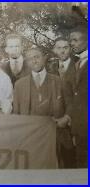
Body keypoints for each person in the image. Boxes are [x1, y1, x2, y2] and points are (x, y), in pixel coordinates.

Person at [13, 47, 71, 124]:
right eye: (30, 59)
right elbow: (16, 114)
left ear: (44, 58)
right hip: (30, 132)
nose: (34, 61)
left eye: (37, 57)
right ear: (27, 62)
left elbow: (70, 104)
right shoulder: (19, 85)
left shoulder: (59, 81)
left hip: (54, 130)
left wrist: (66, 118)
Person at [52, 37, 78, 168]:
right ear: (54, 50)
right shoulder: (49, 67)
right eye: (59, 48)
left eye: (65, 48)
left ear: (70, 49)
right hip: (54, 122)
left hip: (73, 120)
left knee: (71, 158)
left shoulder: (79, 66)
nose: (62, 51)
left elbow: (79, 97)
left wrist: (68, 117)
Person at [69, 26, 88, 168]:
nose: (72, 43)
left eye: (76, 40)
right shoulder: (78, 63)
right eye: (71, 40)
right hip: (80, 128)